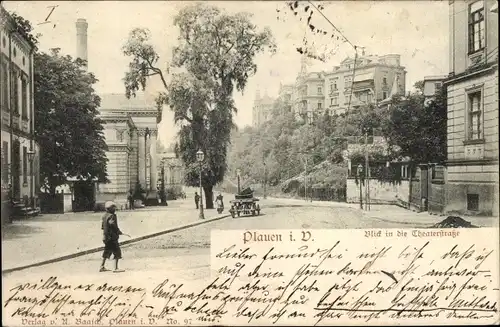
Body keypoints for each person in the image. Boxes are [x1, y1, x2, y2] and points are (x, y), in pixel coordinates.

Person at [100, 201, 125, 273]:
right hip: (112, 237)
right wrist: (118, 231)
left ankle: (102, 266)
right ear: (111, 208)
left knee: (107, 251)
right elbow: (112, 224)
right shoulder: (112, 216)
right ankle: (116, 268)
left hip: (105, 237)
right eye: (114, 208)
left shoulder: (104, 216)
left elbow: (102, 227)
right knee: (117, 252)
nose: (115, 209)